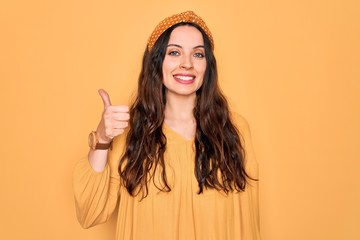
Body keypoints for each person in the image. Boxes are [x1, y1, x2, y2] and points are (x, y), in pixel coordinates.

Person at [73, 10, 261, 240]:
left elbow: (247, 219)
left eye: (198, 55)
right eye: (174, 52)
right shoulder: (130, 130)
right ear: (157, 62)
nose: (187, 64)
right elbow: (90, 213)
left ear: (207, 66)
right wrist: (102, 138)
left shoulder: (234, 128)